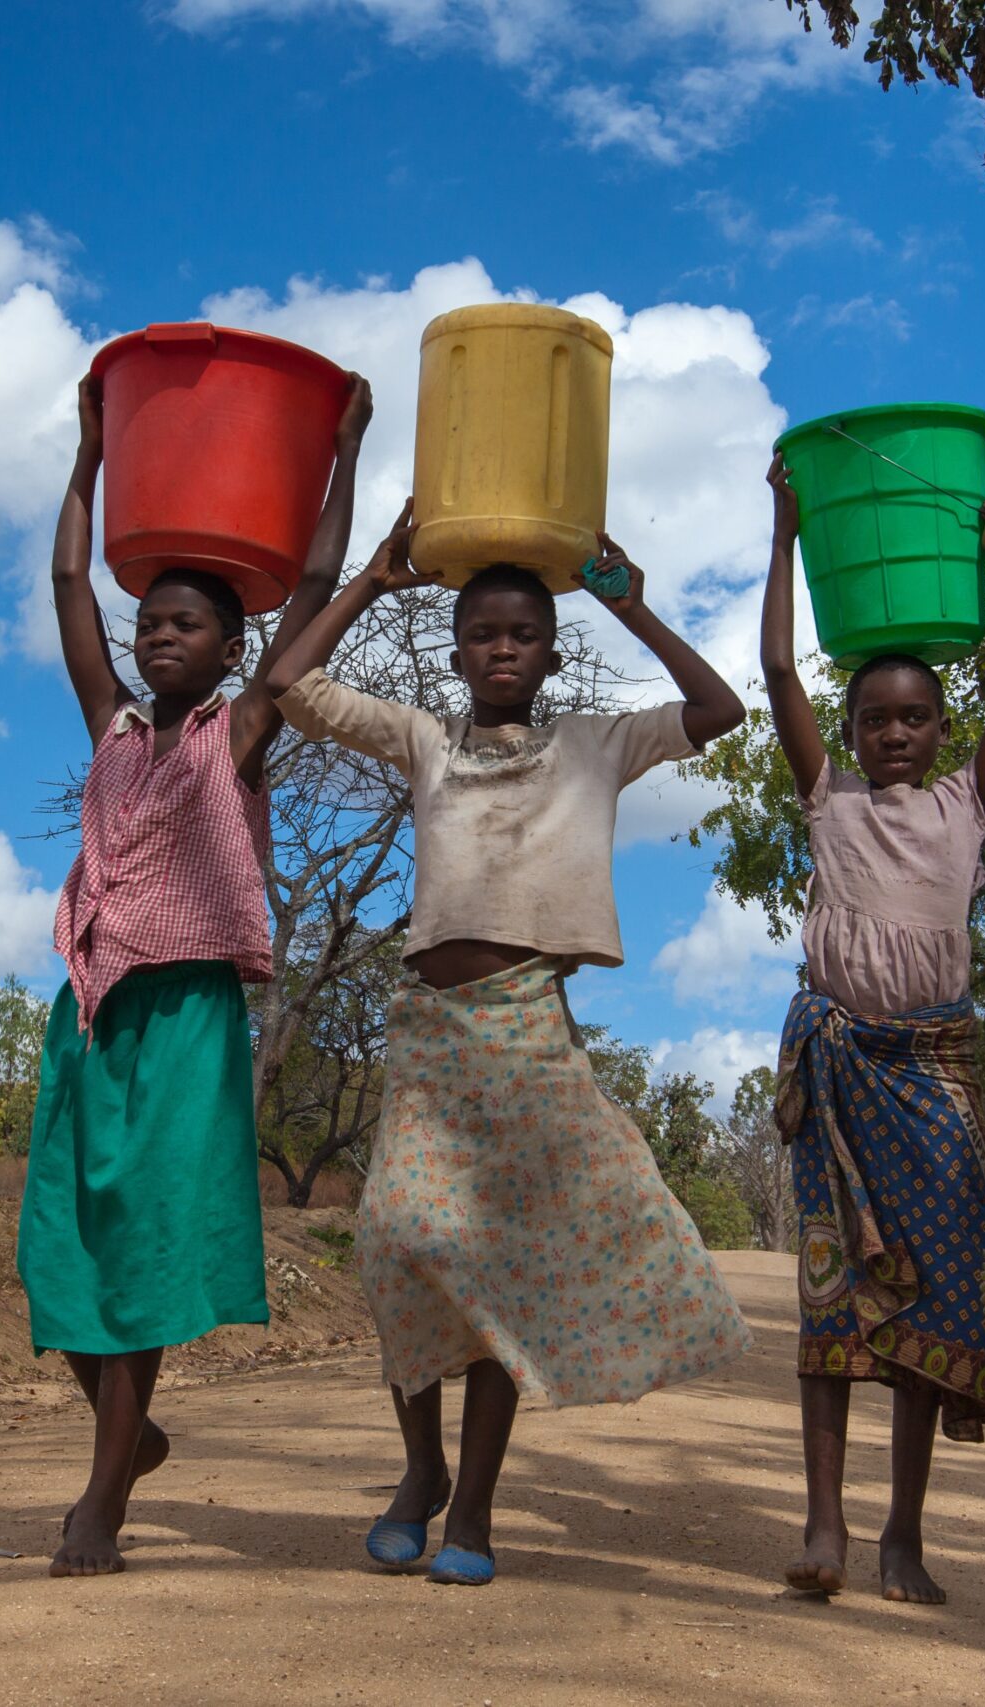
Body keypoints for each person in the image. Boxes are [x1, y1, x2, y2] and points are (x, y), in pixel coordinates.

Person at [265, 525, 753, 1588]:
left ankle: (472, 1511)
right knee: (397, 1241)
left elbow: (721, 711)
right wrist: (374, 580)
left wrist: (627, 602)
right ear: (453, 655)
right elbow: (289, 682)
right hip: (433, 1036)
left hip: (529, 1027)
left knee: (496, 1271)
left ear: (550, 654)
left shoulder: (596, 745)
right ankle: (420, 1472)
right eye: (480, 634)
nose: (500, 649)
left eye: (522, 635)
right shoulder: (423, 740)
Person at [18, 366, 374, 1578]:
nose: (159, 637)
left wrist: (346, 446)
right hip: (90, 1007)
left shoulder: (245, 732)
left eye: (187, 626)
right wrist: (88, 456)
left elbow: (318, 585)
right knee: (59, 1243)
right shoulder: (112, 726)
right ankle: (132, 1436)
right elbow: (70, 577)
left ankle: (99, 1506)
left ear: (231, 648)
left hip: (188, 1015)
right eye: (150, 625)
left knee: (152, 1245)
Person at [759, 454, 985, 1604]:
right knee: (832, 1305)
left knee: (932, 1297)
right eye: (875, 717)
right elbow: (778, 663)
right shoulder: (825, 797)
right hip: (839, 1069)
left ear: (938, 730)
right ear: (853, 729)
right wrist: (783, 527)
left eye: (914, 717)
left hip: (932, 1073)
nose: (893, 733)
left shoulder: (966, 802)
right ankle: (823, 1529)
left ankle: (902, 1538)